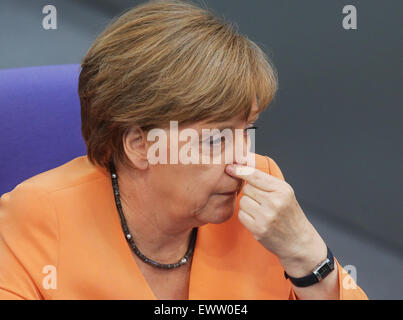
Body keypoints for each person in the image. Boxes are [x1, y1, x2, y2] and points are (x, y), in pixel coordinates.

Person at [0, 0, 368, 300]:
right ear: (140, 145)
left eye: (247, 131)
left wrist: (306, 254)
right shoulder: (34, 218)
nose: (243, 161)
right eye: (215, 139)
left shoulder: (262, 202)